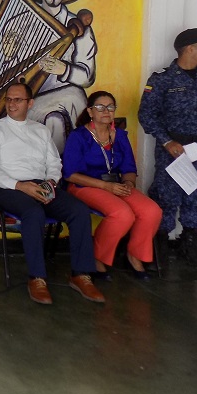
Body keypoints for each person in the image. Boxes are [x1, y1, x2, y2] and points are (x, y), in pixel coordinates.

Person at [0, 81, 105, 305]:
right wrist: (20, 185)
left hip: (41, 185)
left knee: (79, 210)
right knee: (33, 212)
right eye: (9, 99)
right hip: (7, 188)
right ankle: (37, 278)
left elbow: (54, 163)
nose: (12, 104)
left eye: (18, 100)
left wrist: (51, 182)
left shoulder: (40, 130)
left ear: (30, 103)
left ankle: (81, 274)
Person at [138, 27, 197, 268]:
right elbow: (146, 115)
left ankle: (188, 244)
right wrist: (166, 141)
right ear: (190, 49)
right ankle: (159, 246)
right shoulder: (162, 80)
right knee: (166, 197)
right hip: (173, 151)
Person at [62, 90, 162, 279]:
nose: (106, 111)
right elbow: (70, 175)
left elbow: (129, 168)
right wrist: (105, 186)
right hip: (84, 185)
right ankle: (96, 257)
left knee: (151, 211)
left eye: (110, 107)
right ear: (90, 111)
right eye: (100, 107)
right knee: (122, 214)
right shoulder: (79, 136)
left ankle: (134, 255)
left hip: (116, 185)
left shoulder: (120, 136)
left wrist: (128, 183)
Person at [22, 0, 99, 152]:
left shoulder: (79, 27)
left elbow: (87, 75)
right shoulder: (22, 21)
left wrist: (62, 69)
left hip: (68, 99)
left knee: (61, 112)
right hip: (33, 103)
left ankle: (57, 173)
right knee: (48, 118)